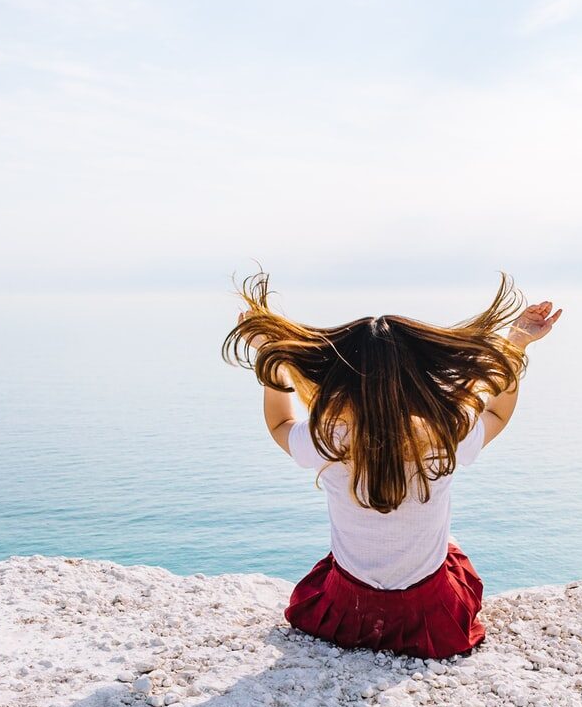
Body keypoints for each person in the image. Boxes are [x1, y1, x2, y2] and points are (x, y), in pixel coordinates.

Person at [221, 271, 562, 659]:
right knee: (451, 550)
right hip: (430, 618)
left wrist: (271, 358)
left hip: (348, 614)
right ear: (424, 378)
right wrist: (515, 342)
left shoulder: (330, 437)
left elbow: (280, 423)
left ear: (339, 380)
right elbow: (496, 412)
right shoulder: (445, 432)